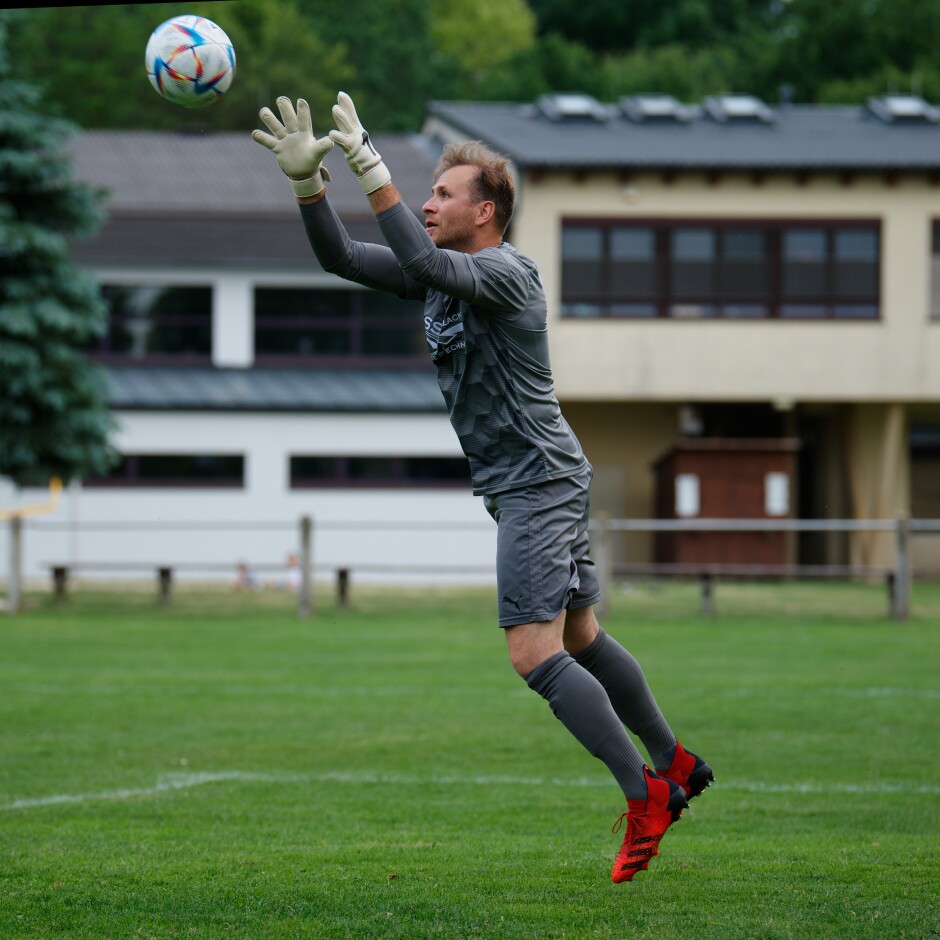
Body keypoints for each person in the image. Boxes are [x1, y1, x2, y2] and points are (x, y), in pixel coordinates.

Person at [252, 93, 713, 882]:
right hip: (539, 477)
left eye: (442, 194)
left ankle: (646, 796)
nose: (426, 204)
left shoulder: (508, 274)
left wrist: (368, 164)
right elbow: (342, 259)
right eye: (424, 193)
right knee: (578, 640)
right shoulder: (446, 278)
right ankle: (677, 760)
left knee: (533, 654)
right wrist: (309, 186)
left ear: (487, 212)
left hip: (537, 481)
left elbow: (426, 262)